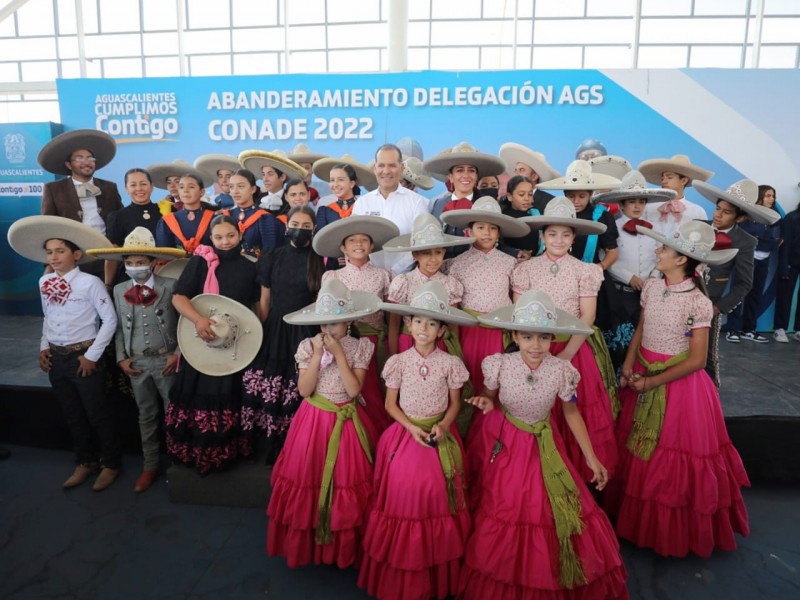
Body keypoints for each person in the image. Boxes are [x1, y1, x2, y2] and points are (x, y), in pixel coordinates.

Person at [458, 290, 627, 600]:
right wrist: (485, 401)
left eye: (543, 337)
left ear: (553, 338)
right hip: (507, 442)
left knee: (546, 506)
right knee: (506, 503)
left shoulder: (561, 371)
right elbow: (489, 396)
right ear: (514, 336)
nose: (535, 345)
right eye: (527, 337)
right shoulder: (499, 364)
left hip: (545, 444)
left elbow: (571, 413)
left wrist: (591, 458)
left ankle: (546, 570)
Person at [606, 220, 750, 558]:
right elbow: (641, 329)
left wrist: (651, 382)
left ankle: (667, 532)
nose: (657, 251)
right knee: (638, 449)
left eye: (664, 248)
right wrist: (628, 365)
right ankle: (636, 521)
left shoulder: (698, 303)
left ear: (682, 259)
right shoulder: (652, 288)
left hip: (678, 387)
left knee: (667, 456)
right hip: (642, 371)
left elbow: (697, 360)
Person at [358, 281, 475, 600]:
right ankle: (404, 568)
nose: (424, 328)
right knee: (404, 491)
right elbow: (390, 405)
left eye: (432, 323)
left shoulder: (450, 364)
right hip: (405, 433)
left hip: (439, 433)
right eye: (418, 321)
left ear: (442, 330)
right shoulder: (398, 362)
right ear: (408, 324)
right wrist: (411, 428)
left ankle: (435, 567)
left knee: (437, 492)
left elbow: (455, 404)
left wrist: (445, 426)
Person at [267, 279, 381, 568]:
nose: (329, 330)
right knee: (309, 476)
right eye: (325, 323)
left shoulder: (360, 347)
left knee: (346, 481)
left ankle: (341, 549)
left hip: (346, 422)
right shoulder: (308, 346)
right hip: (313, 421)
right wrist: (318, 356)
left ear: (349, 322)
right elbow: (304, 391)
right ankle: (310, 545)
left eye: (336, 323)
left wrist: (339, 354)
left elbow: (353, 390)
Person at [8, 216, 121, 491]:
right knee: (72, 413)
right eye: (49, 252)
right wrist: (43, 347)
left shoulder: (90, 283)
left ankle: (111, 463)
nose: (54, 257)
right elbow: (48, 317)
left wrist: (92, 356)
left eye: (60, 251)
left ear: (76, 254)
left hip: (83, 357)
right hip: (57, 358)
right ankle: (85, 461)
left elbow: (110, 320)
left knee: (97, 413)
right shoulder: (44, 282)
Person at [513, 197, 619, 484]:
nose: (558, 240)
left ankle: (578, 475)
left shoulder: (586, 270)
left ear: (573, 238)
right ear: (542, 236)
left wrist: (567, 355)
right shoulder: (526, 269)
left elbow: (587, 316)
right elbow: (519, 314)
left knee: (572, 408)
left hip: (574, 347)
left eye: (565, 234)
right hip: (535, 348)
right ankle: (538, 476)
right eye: (552, 233)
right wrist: (533, 349)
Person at [86, 228, 186, 493]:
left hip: (166, 360)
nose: (134, 267)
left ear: (152, 262)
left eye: (140, 262)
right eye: (129, 262)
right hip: (137, 363)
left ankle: (179, 461)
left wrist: (177, 353)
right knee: (146, 415)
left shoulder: (170, 286)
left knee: (173, 413)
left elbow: (183, 323)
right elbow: (118, 327)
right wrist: (121, 357)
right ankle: (150, 464)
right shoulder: (120, 289)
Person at [165, 215, 262, 475]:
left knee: (230, 393)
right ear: (211, 238)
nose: (225, 242)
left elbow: (256, 306)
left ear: (240, 235)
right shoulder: (200, 262)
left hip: (235, 343)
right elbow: (178, 297)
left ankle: (227, 452)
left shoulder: (250, 267)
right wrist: (198, 320)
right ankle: (196, 453)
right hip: (200, 340)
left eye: (230, 236)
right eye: (218, 237)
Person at [241, 206, 326, 465]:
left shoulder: (320, 259)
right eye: (295, 224)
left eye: (306, 226)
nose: (300, 230)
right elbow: (265, 300)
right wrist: (261, 331)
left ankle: (296, 444)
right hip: (275, 327)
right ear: (287, 226)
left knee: (299, 385)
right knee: (271, 385)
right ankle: (268, 443)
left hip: (305, 329)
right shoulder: (273, 256)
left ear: (314, 229)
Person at [313, 216, 400, 434]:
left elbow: (391, 315)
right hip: (341, 342)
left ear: (371, 246)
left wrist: (392, 346)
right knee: (345, 387)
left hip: (374, 340)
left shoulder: (384, 275)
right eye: (352, 240)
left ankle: (374, 436)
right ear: (343, 247)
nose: (358, 244)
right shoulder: (332, 276)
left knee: (372, 390)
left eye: (364, 240)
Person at [440, 196, 530, 394]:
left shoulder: (510, 262)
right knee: (470, 373)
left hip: (499, 329)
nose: (487, 233)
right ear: (469, 231)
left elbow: (516, 298)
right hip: (469, 331)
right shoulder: (457, 263)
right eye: (480, 227)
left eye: (492, 228)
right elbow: (454, 304)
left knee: (497, 377)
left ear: (499, 233)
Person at [693, 179, 776, 385]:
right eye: (718, 208)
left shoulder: (746, 241)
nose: (718, 215)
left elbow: (744, 283)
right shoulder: (697, 227)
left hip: (709, 305)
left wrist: (716, 309)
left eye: (727, 212)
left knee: (705, 358)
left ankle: (708, 399)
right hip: (679, 300)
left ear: (741, 217)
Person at [592, 171, 675, 372]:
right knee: (620, 340)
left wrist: (653, 278)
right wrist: (630, 277)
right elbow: (606, 257)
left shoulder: (656, 228)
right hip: (620, 293)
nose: (637, 206)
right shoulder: (612, 226)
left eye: (641, 201)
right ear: (621, 204)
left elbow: (661, 257)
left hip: (649, 293)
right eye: (632, 202)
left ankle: (640, 377)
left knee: (645, 337)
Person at [38, 129, 123, 281]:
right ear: (69, 165)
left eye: (90, 158)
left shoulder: (110, 187)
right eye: (79, 158)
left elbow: (121, 219)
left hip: (106, 256)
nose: (86, 162)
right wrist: (49, 265)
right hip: (72, 258)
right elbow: (48, 227)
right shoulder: (53, 189)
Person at [383, 212, 473, 356]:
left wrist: (454, 355)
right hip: (408, 344)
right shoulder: (403, 283)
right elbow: (394, 326)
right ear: (415, 254)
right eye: (426, 253)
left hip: (439, 347)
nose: (433, 259)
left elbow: (453, 326)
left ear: (444, 252)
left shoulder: (450, 284)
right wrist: (393, 356)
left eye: (438, 252)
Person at [352, 144, 430, 275]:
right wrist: (374, 273)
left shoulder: (417, 202)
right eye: (381, 165)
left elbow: (422, 244)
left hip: (407, 278)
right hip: (368, 276)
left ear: (401, 168)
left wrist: (395, 271)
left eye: (392, 165)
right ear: (375, 168)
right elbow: (354, 242)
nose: (386, 171)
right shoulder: (362, 203)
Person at [536, 159, 621, 271]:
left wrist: (598, 269)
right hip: (556, 273)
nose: (576, 201)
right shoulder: (555, 213)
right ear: (565, 194)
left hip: (590, 274)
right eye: (571, 196)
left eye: (581, 196)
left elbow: (612, 252)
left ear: (590, 194)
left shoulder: (602, 216)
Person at [728, 184, 782, 342]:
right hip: (747, 258)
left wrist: (770, 242)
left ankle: (749, 329)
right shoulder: (747, 214)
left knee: (755, 294)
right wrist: (772, 242)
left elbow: (767, 237)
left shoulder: (773, 216)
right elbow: (749, 237)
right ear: (759, 197)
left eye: (773, 196)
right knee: (738, 293)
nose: (771, 199)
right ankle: (733, 330)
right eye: (768, 196)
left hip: (764, 259)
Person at [426, 142, 506, 236]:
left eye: (471, 170)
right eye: (460, 170)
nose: (465, 175)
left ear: (476, 176)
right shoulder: (438, 204)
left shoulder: (488, 205)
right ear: (451, 177)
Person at [638, 154, 714, 236]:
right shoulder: (649, 207)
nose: (663, 181)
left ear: (683, 181)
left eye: (669, 177)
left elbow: (702, 238)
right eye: (662, 178)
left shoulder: (697, 212)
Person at [220, 168, 285, 259]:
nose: (235, 191)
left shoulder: (265, 218)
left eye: (241, 186)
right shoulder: (226, 216)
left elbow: (269, 254)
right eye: (231, 187)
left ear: (253, 189)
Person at [155, 173, 216, 254]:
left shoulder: (214, 219)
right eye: (181, 187)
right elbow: (164, 254)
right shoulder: (167, 221)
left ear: (202, 192)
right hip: (176, 262)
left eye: (191, 187)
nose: (185, 191)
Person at [498, 142, 560, 213]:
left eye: (521, 170)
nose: (516, 174)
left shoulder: (550, 202)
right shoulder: (505, 201)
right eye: (516, 170)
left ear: (534, 176)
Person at [239, 149, 307, 213]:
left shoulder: (292, 200)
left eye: (270, 174)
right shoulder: (255, 199)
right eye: (263, 174)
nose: (265, 179)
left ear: (282, 177)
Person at [775, 195, 800, 342]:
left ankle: (798, 329)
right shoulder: (792, 218)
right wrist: (784, 266)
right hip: (791, 263)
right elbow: (785, 244)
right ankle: (780, 328)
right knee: (785, 296)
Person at [498, 175, 541, 258]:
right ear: (510, 196)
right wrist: (516, 253)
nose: (526, 198)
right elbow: (497, 245)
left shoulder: (535, 214)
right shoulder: (502, 218)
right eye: (521, 194)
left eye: (530, 194)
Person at [287, 143, 329, 208]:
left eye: (307, 168)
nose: (304, 172)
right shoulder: (288, 190)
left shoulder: (326, 187)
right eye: (300, 168)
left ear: (312, 170)